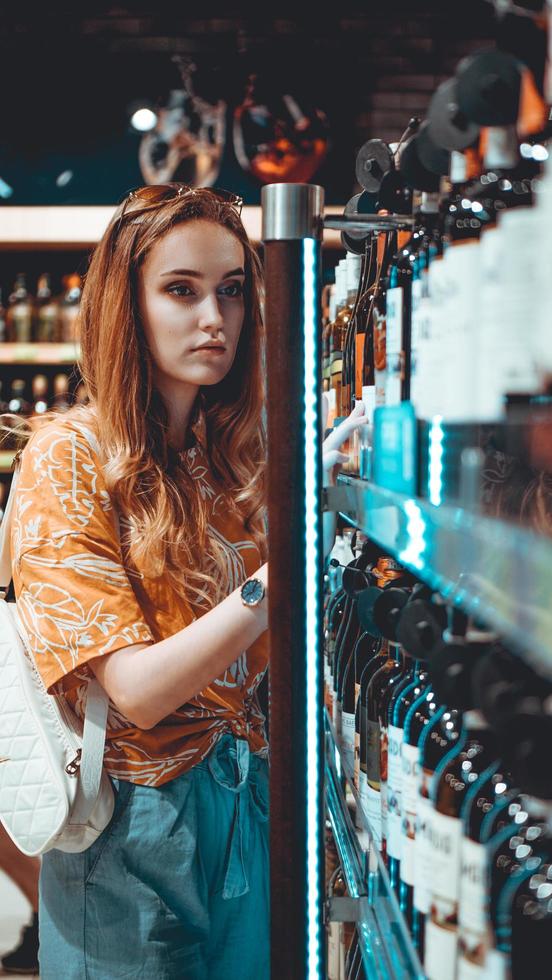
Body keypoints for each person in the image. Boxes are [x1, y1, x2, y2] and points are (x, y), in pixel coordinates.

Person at [6, 183, 367, 979]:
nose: (215, 318)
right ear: (125, 305)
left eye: (232, 291)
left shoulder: (225, 458)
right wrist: (281, 574)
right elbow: (134, 690)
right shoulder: (67, 460)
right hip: (134, 827)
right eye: (181, 290)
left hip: (249, 804)